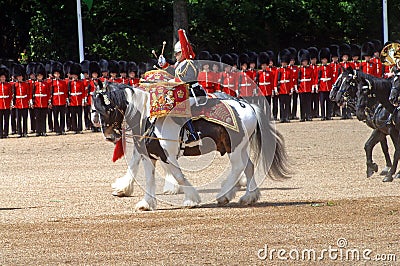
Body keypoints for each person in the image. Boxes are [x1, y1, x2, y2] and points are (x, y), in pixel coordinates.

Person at [157, 29, 204, 144]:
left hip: (195, 93)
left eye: (177, 53)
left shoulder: (189, 63)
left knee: (181, 108)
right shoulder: (180, 64)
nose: (175, 55)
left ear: (182, 53)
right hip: (185, 93)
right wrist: (164, 64)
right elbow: (173, 71)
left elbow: (188, 78)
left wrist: (173, 81)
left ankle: (193, 134)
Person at [274, 49, 293, 123]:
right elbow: (276, 81)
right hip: (281, 89)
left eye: (285, 62)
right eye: (283, 62)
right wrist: (276, 89)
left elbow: (291, 80)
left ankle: (287, 117)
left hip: (287, 89)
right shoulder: (278, 70)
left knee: (288, 104)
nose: (284, 64)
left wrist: (291, 89)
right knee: (281, 105)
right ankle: (282, 117)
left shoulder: (289, 70)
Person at [12, 64, 31, 137]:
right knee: (18, 119)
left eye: (20, 76)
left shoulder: (26, 84)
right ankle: (19, 132)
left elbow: (28, 93)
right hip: (18, 103)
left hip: (25, 103)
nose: (19, 78)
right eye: (18, 77)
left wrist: (29, 101)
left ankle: (25, 132)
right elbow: (14, 94)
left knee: (25, 119)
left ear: (22, 77)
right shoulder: (15, 85)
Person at [32, 63, 50, 136]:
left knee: (43, 118)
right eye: (38, 76)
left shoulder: (45, 84)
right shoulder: (35, 84)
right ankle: (38, 131)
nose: (40, 77)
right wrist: (32, 102)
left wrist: (48, 102)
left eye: (41, 76)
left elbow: (48, 93)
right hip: (37, 103)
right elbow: (32, 94)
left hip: (44, 103)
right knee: (37, 118)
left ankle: (43, 131)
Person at [50, 61, 68, 135]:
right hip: (55, 101)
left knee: (62, 116)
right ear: (53, 74)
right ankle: (57, 130)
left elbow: (65, 92)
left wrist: (66, 100)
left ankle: (62, 129)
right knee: (55, 116)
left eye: (58, 73)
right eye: (55, 73)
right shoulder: (51, 82)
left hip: (62, 101)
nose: (57, 75)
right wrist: (50, 102)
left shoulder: (63, 82)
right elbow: (50, 93)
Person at [67, 63, 85, 134]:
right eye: (73, 75)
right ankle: (74, 128)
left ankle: (79, 128)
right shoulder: (70, 83)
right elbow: (68, 92)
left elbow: (83, 92)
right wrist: (68, 100)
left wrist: (83, 100)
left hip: (79, 100)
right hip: (73, 101)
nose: (74, 76)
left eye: (76, 75)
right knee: (73, 115)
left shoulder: (80, 83)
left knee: (80, 115)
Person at [297, 49, 314, 122]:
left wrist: (313, 87)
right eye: (303, 61)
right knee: (302, 103)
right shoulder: (299, 69)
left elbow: (313, 78)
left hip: (308, 88)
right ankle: (302, 116)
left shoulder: (310, 69)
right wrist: (296, 87)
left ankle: (309, 116)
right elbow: (297, 79)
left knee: (308, 103)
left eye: (306, 61)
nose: (305, 62)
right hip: (301, 88)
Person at [318, 48, 333, 120]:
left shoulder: (330, 68)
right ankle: (323, 115)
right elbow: (317, 78)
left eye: (325, 60)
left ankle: (328, 115)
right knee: (322, 103)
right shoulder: (319, 68)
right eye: (323, 60)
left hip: (329, 87)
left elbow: (332, 77)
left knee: (328, 102)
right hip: (322, 87)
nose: (324, 61)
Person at [339, 43, 352, 119]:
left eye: (346, 57)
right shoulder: (340, 65)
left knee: (349, 98)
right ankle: (343, 113)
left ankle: (349, 113)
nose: (345, 58)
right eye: (344, 57)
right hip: (343, 83)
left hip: (349, 82)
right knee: (343, 99)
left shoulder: (350, 64)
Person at [0, 65, 12, 138]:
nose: (3, 78)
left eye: (4, 77)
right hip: (0, 105)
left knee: (6, 120)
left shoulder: (8, 85)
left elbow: (10, 95)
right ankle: (0, 133)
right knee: (0, 121)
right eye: (1, 77)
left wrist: (10, 104)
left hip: (7, 104)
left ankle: (6, 133)